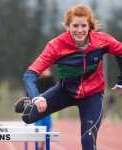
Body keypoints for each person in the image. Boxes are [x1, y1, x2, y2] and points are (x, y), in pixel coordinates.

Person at [17, 4, 122, 150]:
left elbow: (120, 51)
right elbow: (30, 74)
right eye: (75, 26)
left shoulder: (102, 40)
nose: (80, 30)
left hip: (93, 95)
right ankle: (29, 102)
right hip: (65, 91)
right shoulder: (56, 46)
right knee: (27, 118)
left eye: (83, 25)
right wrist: (36, 97)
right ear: (68, 26)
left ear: (90, 26)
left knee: (88, 141)